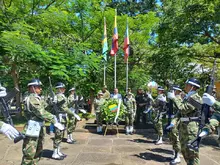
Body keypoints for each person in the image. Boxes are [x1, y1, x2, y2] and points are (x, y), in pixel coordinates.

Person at [21, 79, 64, 164]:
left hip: (39, 127)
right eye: (38, 87)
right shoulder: (32, 98)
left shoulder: (37, 98)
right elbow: (41, 112)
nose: (40, 89)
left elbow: (45, 107)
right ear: (32, 87)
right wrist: (54, 120)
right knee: (29, 154)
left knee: (38, 151)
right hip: (32, 129)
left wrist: (52, 102)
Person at [167, 78, 202, 165]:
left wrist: (174, 98)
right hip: (184, 127)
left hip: (191, 129)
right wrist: (173, 122)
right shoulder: (188, 96)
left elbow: (183, 109)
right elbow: (179, 113)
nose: (185, 86)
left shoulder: (196, 98)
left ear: (193, 87)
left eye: (187, 85)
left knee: (192, 154)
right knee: (185, 152)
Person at [52, 82, 76, 159]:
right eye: (62, 88)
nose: (64, 89)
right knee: (58, 135)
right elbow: (64, 108)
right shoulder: (59, 96)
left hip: (63, 117)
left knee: (61, 135)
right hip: (59, 118)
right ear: (58, 89)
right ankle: (54, 153)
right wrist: (72, 113)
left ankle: (58, 151)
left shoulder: (62, 96)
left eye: (64, 88)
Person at [166, 85, 182, 164]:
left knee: (176, 138)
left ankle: (177, 156)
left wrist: (173, 98)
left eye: (174, 90)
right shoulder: (172, 99)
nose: (172, 91)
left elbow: (180, 109)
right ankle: (175, 154)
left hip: (176, 121)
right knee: (172, 137)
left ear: (178, 91)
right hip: (171, 119)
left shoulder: (178, 99)